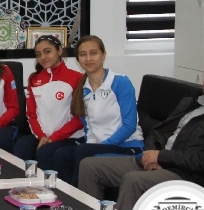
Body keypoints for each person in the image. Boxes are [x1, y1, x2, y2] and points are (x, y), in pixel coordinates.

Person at [79, 58, 204, 210]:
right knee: (90, 166)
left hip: (188, 176)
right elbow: (158, 132)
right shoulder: (191, 103)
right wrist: (152, 156)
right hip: (159, 162)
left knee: (133, 180)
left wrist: (163, 157)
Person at [52, 35, 144, 185]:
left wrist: (102, 146)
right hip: (99, 145)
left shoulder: (120, 82)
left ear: (103, 55)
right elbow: (89, 128)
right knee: (61, 154)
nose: (88, 58)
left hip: (128, 147)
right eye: (83, 54)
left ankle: (76, 197)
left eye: (93, 53)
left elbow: (129, 126)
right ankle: (62, 194)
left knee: (83, 151)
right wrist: (93, 145)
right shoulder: (82, 89)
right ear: (78, 59)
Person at [12, 35, 83, 170]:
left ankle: (47, 184)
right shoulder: (34, 79)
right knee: (22, 146)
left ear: (59, 51)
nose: (43, 57)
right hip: (41, 136)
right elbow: (31, 114)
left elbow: (80, 118)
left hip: (69, 137)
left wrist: (54, 138)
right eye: (38, 54)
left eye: (47, 51)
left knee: (45, 153)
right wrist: (42, 136)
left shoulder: (77, 77)